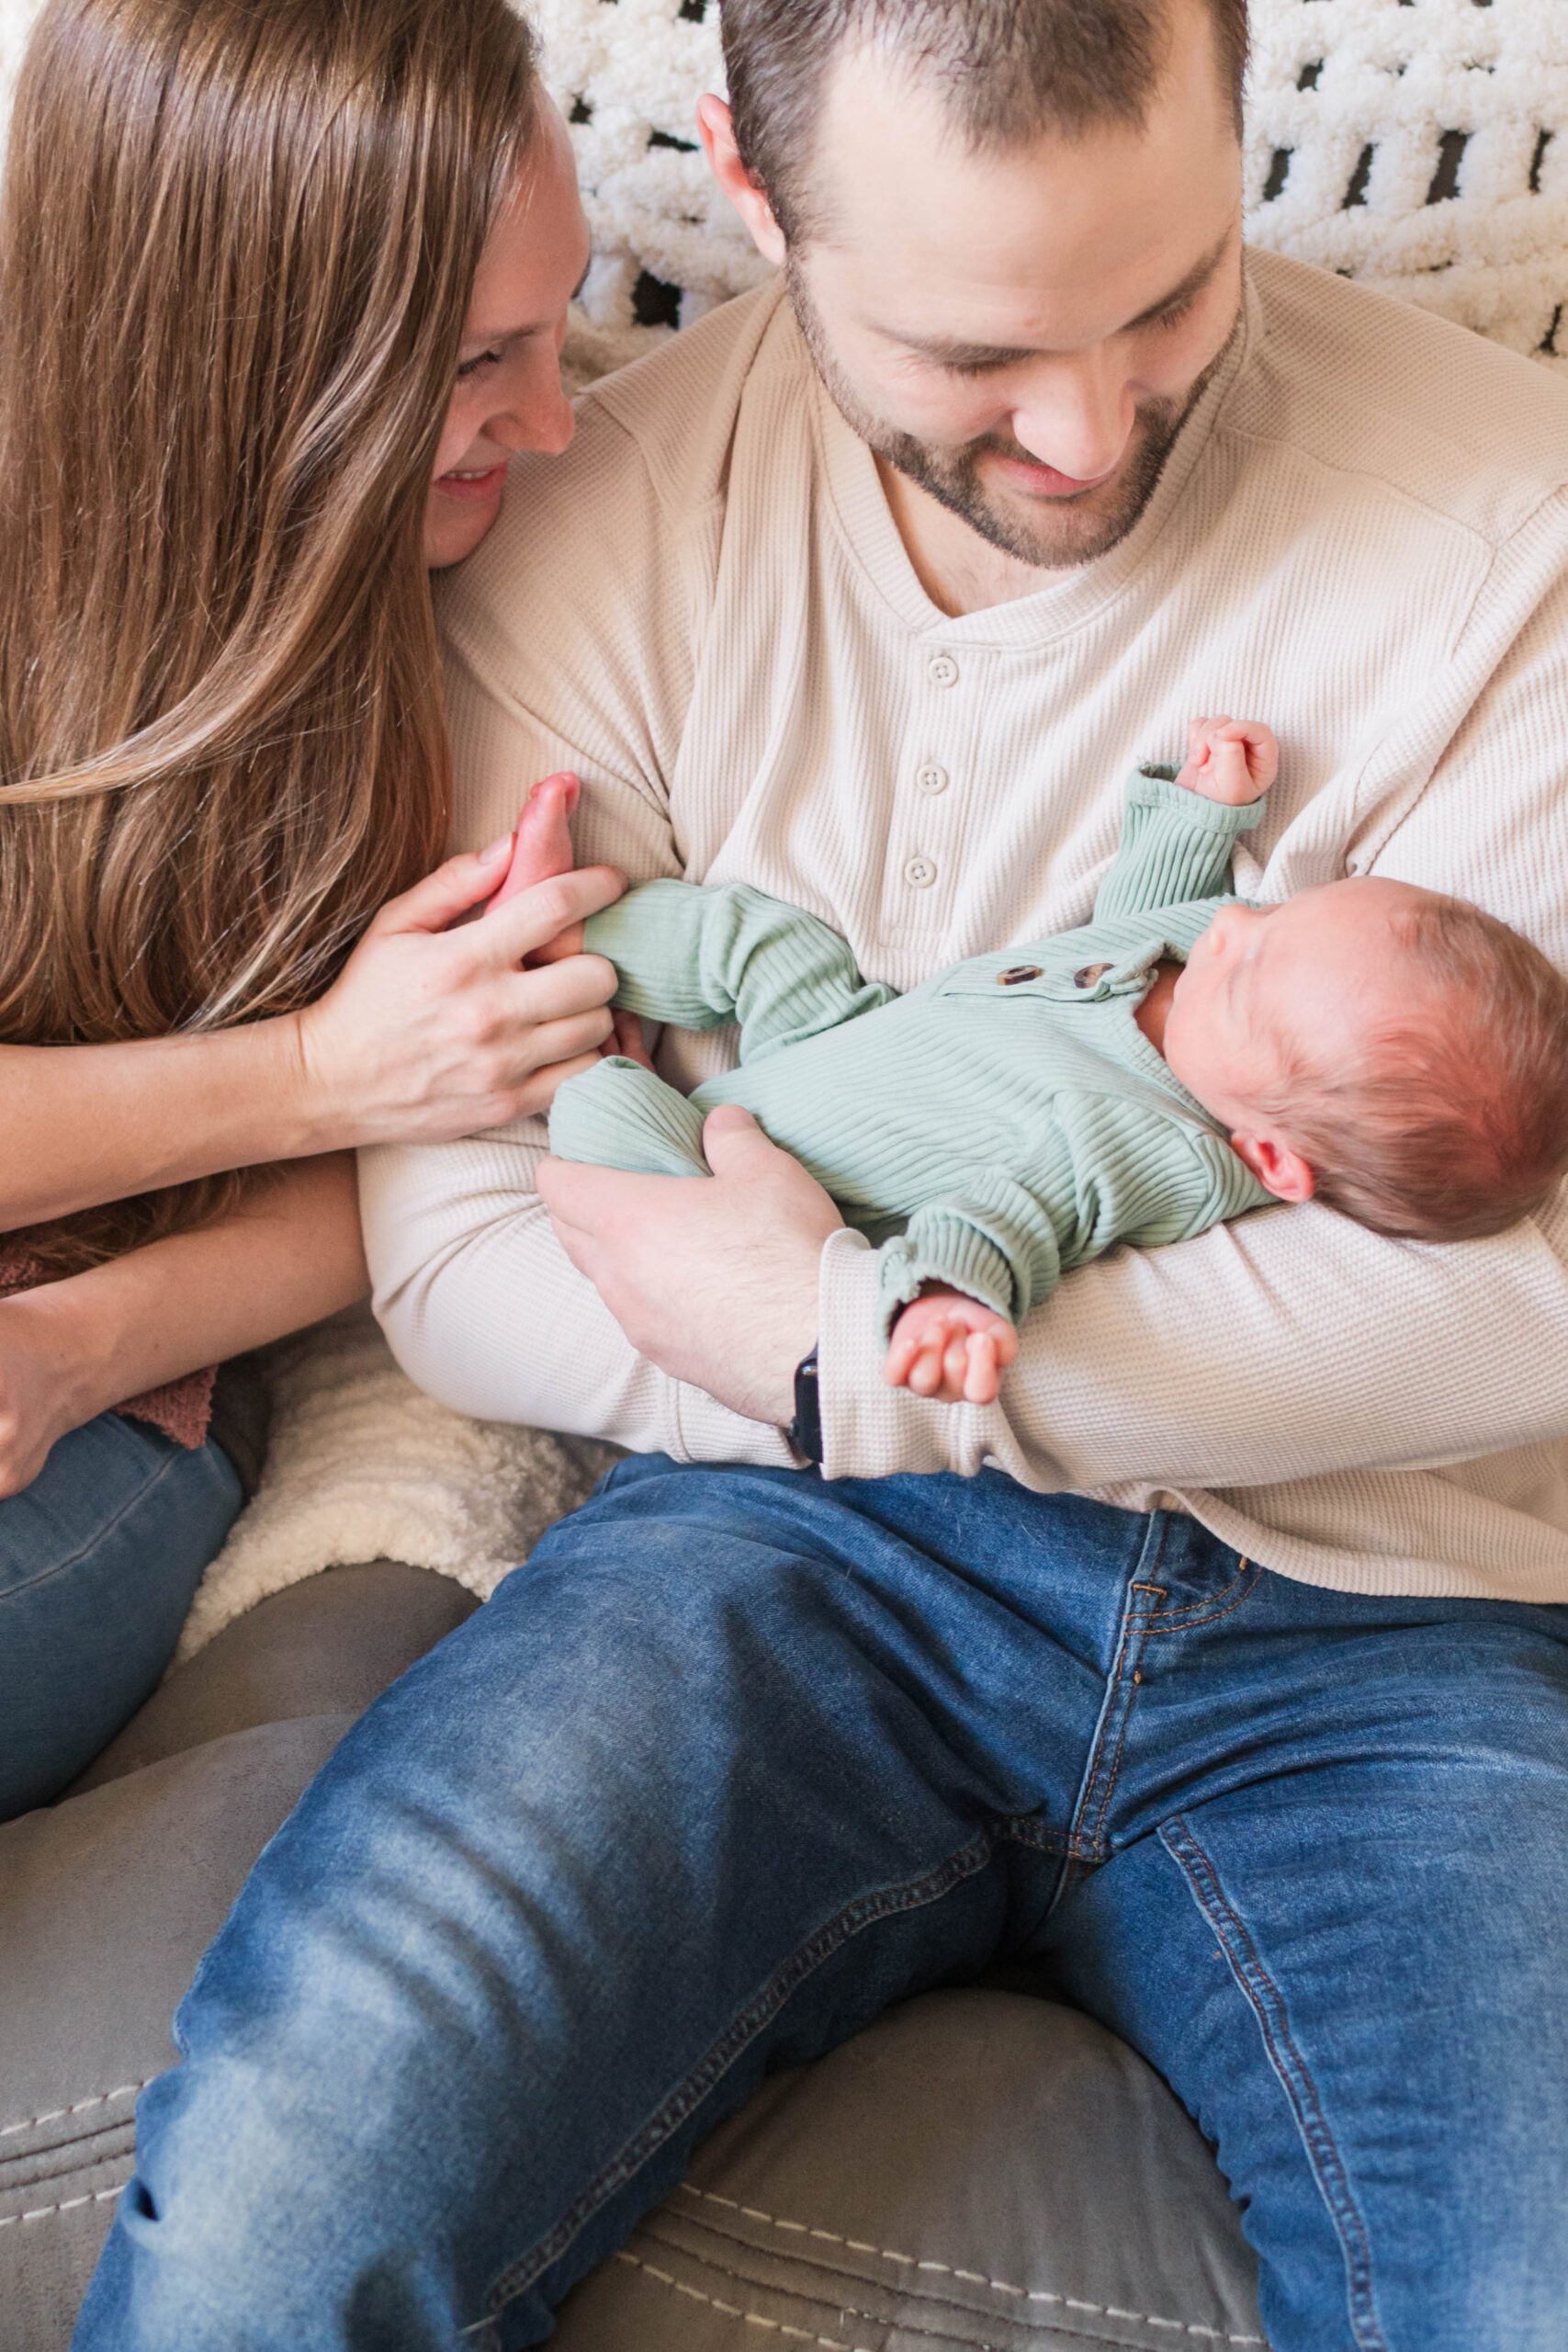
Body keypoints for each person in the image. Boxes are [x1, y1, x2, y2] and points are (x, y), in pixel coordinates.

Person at [77, 1, 1568, 2346]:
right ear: (748, 202)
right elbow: (462, 1249)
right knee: (284, 2189)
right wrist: (855, 1418)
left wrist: (823, 1341)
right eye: (976, 348)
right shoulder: (594, 522)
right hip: (777, 1553)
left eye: (1171, 295)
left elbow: (1527, 1294)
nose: (1088, 432)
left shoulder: (1518, 528)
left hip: (1392, 1628)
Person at [0, 0, 628, 1820]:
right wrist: (317, 1069)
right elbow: (368, 1091)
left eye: (557, 319)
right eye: (473, 361)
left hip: (115, 1379)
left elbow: (455, 1147)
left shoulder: (495, 625)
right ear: (243, 353)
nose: (556, 415)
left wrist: (81, 1343)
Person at [543, 714, 1568, 1401]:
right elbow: (1153, 915)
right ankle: (548, 944)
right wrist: (1199, 816)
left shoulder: (1155, 1146)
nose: (1230, 934)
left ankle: (558, 1045)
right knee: (765, 942)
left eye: (1249, 975)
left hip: (767, 1170)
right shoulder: (1219, 978)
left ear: (1270, 1159)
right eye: (1280, 916)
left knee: (603, 1101)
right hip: (840, 1033)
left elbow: (1023, 1211)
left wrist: (950, 1295)